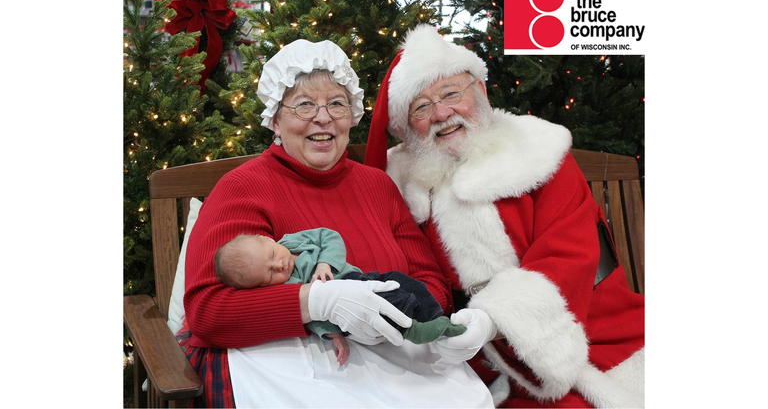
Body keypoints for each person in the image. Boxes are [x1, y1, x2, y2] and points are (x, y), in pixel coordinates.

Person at [177, 38, 492, 408]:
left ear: (351, 115)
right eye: (304, 104)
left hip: (391, 354)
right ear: (275, 120)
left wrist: (399, 314)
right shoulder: (243, 188)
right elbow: (209, 312)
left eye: (337, 103)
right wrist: (318, 303)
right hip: (291, 364)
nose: (323, 117)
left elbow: (432, 284)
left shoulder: (378, 186)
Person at [365, 24, 645, 408]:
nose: (442, 114)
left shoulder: (539, 152)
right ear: (407, 130)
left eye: (451, 94)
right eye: (422, 107)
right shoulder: (402, 188)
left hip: (593, 331)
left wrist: (496, 320)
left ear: (480, 91)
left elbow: (569, 254)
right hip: (472, 362)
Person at [212, 228, 467, 365]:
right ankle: (414, 331)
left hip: (360, 278)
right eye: (269, 273)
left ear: (267, 239)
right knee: (388, 305)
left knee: (402, 281)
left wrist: (325, 263)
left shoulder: (293, 241)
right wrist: (333, 335)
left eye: (272, 254)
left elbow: (329, 236)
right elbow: (311, 317)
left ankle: (436, 320)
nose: (279, 265)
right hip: (349, 308)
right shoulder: (287, 285)